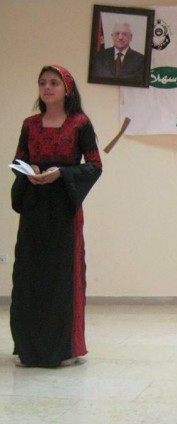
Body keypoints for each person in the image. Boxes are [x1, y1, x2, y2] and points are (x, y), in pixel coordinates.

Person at [10, 65, 102, 368]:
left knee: (62, 275)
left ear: (67, 89)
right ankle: (29, 348)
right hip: (34, 206)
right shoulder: (30, 124)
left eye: (54, 83)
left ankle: (63, 348)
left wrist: (61, 173)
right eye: (43, 83)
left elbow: (94, 165)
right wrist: (30, 170)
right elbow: (18, 160)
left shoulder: (80, 124)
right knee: (29, 273)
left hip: (63, 208)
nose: (47, 87)